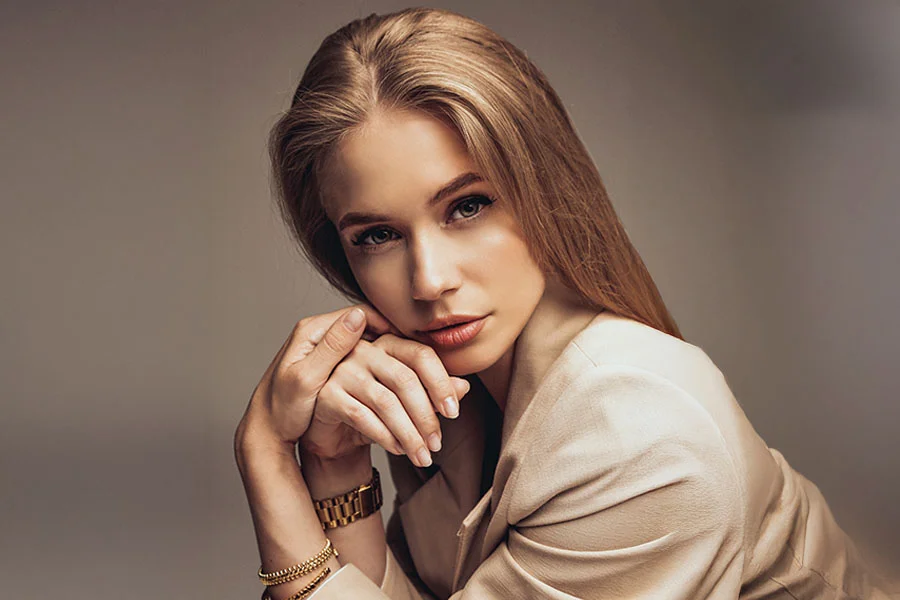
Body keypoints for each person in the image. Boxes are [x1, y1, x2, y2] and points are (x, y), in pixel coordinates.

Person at [234, 7, 897, 600]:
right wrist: (335, 464)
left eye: (469, 205)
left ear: (545, 189)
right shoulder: (448, 395)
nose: (429, 281)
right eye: (377, 235)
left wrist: (268, 455)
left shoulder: (634, 432)